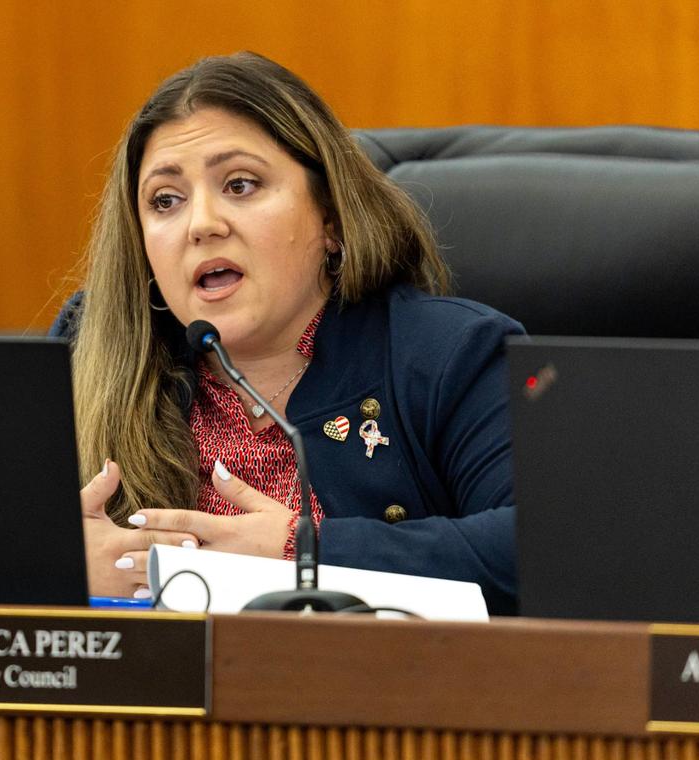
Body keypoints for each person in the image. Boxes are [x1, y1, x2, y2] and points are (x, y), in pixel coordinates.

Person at [51, 52, 523, 614]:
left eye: (241, 185)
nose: (202, 224)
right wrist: (55, 563)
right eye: (166, 200)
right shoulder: (87, 350)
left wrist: (305, 551)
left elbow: (544, 550)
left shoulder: (448, 353)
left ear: (331, 218)